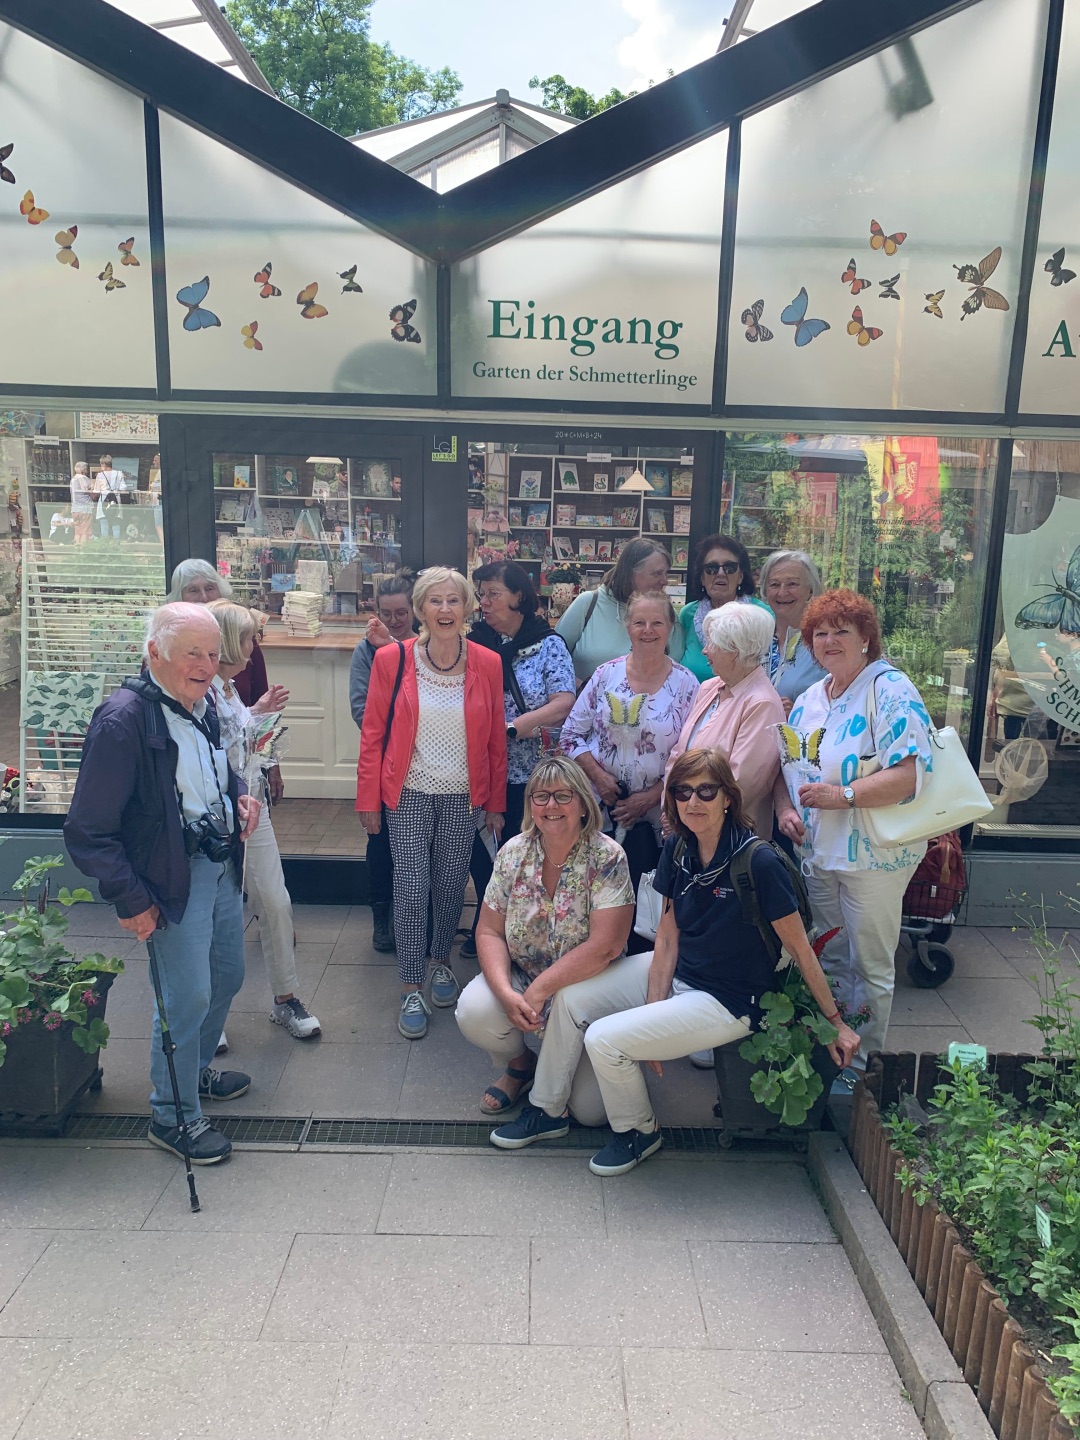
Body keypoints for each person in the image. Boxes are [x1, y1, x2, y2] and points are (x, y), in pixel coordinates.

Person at [577, 747, 860, 1175]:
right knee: (576, 996)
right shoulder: (678, 848)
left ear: (728, 797)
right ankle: (549, 1104)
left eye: (706, 791)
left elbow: (802, 950)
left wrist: (836, 1022)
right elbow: (667, 938)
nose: (693, 801)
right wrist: (653, 1012)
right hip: (685, 975)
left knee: (603, 1039)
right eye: (682, 792)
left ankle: (638, 1132)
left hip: (731, 1001)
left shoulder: (758, 861)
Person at [64, 603, 261, 1165]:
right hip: (170, 877)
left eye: (212, 653)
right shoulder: (123, 720)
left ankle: (192, 1072)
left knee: (227, 974)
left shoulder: (202, 703)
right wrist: (131, 900)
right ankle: (172, 1114)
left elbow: (211, 770)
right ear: (155, 652)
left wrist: (237, 798)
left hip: (217, 865)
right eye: (192, 653)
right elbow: (87, 831)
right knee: (185, 994)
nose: (206, 664)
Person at [772, 588, 933, 1073]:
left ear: (866, 638)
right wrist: (784, 809)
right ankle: (836, 1052)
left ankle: (864, 1071)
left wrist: (842, 796)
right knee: (830, 956)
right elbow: (787, 766)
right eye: (820, 633)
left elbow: (909, 775)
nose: (829, 641)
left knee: (871, 966)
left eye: (841, 631)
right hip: (817, 852)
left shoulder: (889, 689)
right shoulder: (810, 699)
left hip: (873, 857)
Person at [356, 566, 507, 1039]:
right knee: (411, 886)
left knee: (449, 884)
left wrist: (496, 803)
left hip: (464, 796)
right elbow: (373, 734)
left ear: (467, 608)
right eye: (435, 601)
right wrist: (368, 800)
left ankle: (440, 960)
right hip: (408, 794)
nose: (445, 609)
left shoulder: (487, 662)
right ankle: (410, 984)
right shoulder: (393, 659)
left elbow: (495, 743)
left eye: (454, 600)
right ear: (420, 609)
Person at [456, 754, 635, 1122]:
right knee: (475, 1010)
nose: (551, 805)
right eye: (541, 796)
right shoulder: (513, 853)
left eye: (563, 795)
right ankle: (521, 1065)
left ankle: (583, 1059)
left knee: (591, 1112)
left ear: (583, 805)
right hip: (525, 979)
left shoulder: (607, 857)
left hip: (587, 990)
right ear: (531, 806)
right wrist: (507, 994)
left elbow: (607, 947)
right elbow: (488, 930)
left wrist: (541, 990)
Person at [209, 600, 320, 1040]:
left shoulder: (228, 688)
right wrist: (256, 717)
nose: (254, 647)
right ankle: (210, 1016)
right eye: (249, 638)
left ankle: (286, 998)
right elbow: (216, 749)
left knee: (275, 902)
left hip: (252, 807)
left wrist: (258, 712)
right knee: (214, 915)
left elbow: (242, 740)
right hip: (215, 817)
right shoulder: (200, 689)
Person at [460, 561, 577, 958]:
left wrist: (512, 728)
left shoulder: (547, 645)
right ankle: (488, 924)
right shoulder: (473, 644)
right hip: (483, 769)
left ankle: (526, 931)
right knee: (482, 851)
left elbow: (563, 704)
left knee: (527, 852)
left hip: (532, 774)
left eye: (494, 594)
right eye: (482, 594)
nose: (485, 603)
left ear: (519, 597)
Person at [560, 592, 698, 921]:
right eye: (639, 622)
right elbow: (570, 735)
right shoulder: (605, 675)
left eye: (657, 623)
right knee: (595, 905)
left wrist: (650, 797)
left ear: (671, 627)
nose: (648, 630)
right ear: (627, 626)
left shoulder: (687, 685)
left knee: (648, 911)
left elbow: (693, 755)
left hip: (658, 818)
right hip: (600, 812)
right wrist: (600, 779)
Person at [666, 601, 784, 839]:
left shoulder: (762, 704)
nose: (704, 651)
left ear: (735, 650)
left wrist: (683, 812)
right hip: (687, 828)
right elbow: (679, 753)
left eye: (712, 643)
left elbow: (740, 785)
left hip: (729, 840)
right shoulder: (709, 688)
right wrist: (669, 806)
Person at [166, 559, 282, 800]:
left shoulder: (240, 660)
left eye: (209, 588)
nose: (203, 597)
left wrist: (272, 766)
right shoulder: (169, 653)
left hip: (245, 778)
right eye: (193, 590)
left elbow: (250, 710)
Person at [349, 570, 418, 953]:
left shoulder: (429, 648)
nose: (394, 620)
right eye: (387, 613)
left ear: (414, 610)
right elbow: (362, 711)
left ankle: (420, 916)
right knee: (380, 843)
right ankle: (381, 916)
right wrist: (406, 726)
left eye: (401, 613)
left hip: (423, 764)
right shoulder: (366, 652)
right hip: (384, 762)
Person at [556, 537, 684, 684]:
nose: (665, 580)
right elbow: (552, 656)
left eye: (666, 573)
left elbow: (677, 664)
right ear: (630, 574)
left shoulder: (668, 613)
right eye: (657, 573)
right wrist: (580, 687)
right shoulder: (588, 603)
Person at [678, 534, 770, 681]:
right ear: (702, 578)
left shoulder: (762, 615)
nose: (720, 574)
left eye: (729, 568)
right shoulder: (688, 615)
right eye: (712, 568)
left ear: (740, 576)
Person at [759, 548, 827, 713]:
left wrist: (798, 713)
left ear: (810, 590)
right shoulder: (756, 639)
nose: (782, 592)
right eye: (774, 585)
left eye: (792, 584)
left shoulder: (826, 641)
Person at [93, 454, 127, 539]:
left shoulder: (100, 475)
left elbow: (96, 491)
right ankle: (116, 544)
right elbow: (123, 488)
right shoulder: (119, 474)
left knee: (104, 526)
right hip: (115, 501)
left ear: (104, 464)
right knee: (116, 526)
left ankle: (105, 545)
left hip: (104, 502)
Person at [69, 460, 94, 544]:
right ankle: (83, 549)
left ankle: (76, 547)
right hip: (85, 508)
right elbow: (93, 491)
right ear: (84, 470)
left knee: (77, 531)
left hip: (74, 508)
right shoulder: (86, 479)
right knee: (85, 531)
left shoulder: (73, 479)